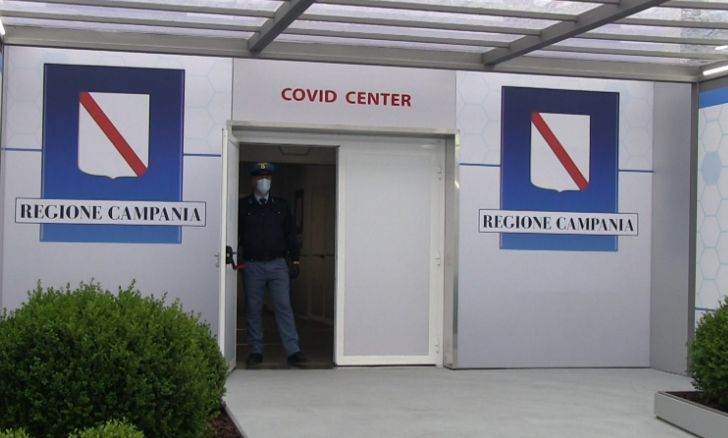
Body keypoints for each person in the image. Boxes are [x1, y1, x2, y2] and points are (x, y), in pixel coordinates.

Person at [238, 162, 309, 369]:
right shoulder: (243, 206)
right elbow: (234, 234)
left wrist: (295, 259)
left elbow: (290, 235)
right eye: (260, 178)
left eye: (267, 178)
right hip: (252, 265)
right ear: (253, 181)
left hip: (278, 264)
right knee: (253, 309)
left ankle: (293, 351)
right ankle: (256, 351)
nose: (264, 181)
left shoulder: (280, 206)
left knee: (283, 307)